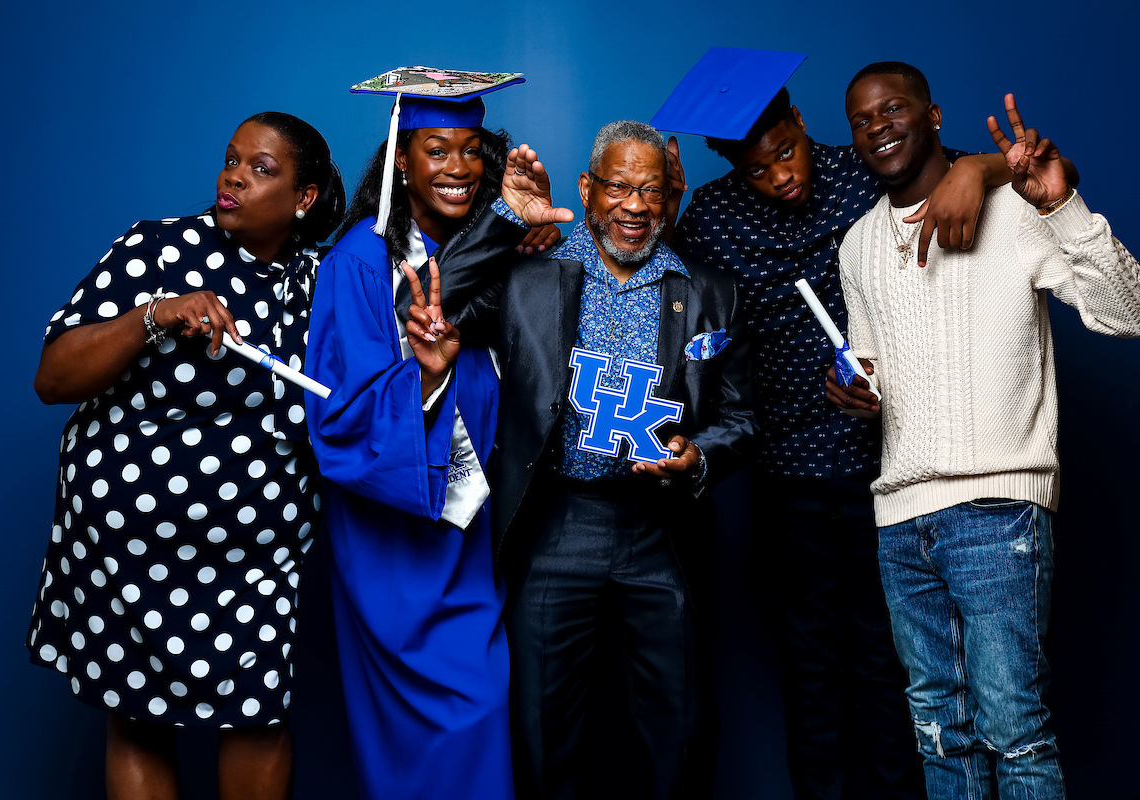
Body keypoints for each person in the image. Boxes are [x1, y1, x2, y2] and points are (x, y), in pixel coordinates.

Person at [654, 47, 1036, 800]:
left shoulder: (864, 172)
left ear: (801, 123)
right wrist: (662, 219)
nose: (783, 176)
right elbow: (667, 306)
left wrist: (972, 172)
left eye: (788, 152)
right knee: (812, 670)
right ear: (732, 165)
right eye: (760, 169)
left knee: (892, 663)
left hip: (886, 468)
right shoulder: (713, 220)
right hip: (787, 475)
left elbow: (996, 165)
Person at [828, 62, 1140, 800]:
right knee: (940, 736)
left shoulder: (1013, 212)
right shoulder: (854, 247)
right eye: (860, 119)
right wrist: (856, 388)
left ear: (934, 114)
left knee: (1015, 732)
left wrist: (1064, 204)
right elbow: (875, 368)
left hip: (998, 512)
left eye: (893, 109)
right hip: (899, 522)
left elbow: (1133, 315)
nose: (877, 126)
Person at [433, 119, 755, 800]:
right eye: (620, 187)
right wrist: (502, 216)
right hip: (557, 521)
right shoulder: (528, 274)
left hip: (662, 528)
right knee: (544, 730)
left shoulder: (711, 293)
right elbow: (434, 302)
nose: (637, 206)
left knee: (683, 727)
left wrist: (699, 457)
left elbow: (741, 420)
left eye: (655, 191)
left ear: (672, 197)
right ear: (587, 188)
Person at [28, 111, 345, 799]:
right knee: (138, 717)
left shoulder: (326, 279)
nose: (235, 175)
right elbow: (52, 378)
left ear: (304, 197)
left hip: (260, 546)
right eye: (232, 159)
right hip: (130, 541)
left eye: (262, 168)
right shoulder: (158, 251)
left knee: (259, 716)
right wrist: (153, 315)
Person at [303, 83, 573, 800]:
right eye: (436, 150)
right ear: (400, 163)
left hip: (473, 523)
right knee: (428, 730)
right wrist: (424, 381)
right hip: (395, 537)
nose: (458, 166)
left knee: (484, 710)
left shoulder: (482, 248)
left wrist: (532, 237)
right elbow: (340, 418)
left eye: (470, 151)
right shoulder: (360, 262)